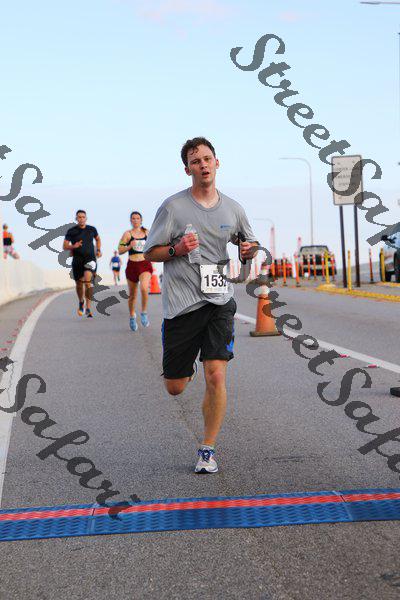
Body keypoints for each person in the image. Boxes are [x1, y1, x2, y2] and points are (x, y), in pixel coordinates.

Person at [143, 137, 258, 474]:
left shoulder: (233, 208)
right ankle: (187, 367)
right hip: (182, 306)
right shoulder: (173, 208)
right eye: (196, 161)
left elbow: (248, 243)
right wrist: (177, 249)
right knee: (175, 387)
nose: (203, 165)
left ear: (217, 163)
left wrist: (248, 250)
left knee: (216, 375)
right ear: (187, 169)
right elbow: (151, 252)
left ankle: (207, 449)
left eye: (207, 159)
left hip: (219, 300)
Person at [63, 210, 102, 318]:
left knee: (88, 282)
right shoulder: (71, 231)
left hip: (90, 259)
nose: (81, 219)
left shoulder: (92, 229)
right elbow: (65, 246)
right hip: (77, 260)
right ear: (76, 218)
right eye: (79, 217)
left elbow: (98, 239)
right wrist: (73, 246)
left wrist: (98, 250)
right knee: (79, 284)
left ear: (86, 218)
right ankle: (81, 301)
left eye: (83, 217)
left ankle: (88, 308)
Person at [118, 211, 153, 331]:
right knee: (132, 295)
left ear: (141, 220)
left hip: (144, 264)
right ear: (130, 220)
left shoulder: (147, 232)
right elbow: (120, 250)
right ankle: (132, 316)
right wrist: (129, 246)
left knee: (144, 288)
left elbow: (154, 245)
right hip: (132, 265)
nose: (135, 220)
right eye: (133, 218)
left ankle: (144, 312)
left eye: (138, 218)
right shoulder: (127, 234)